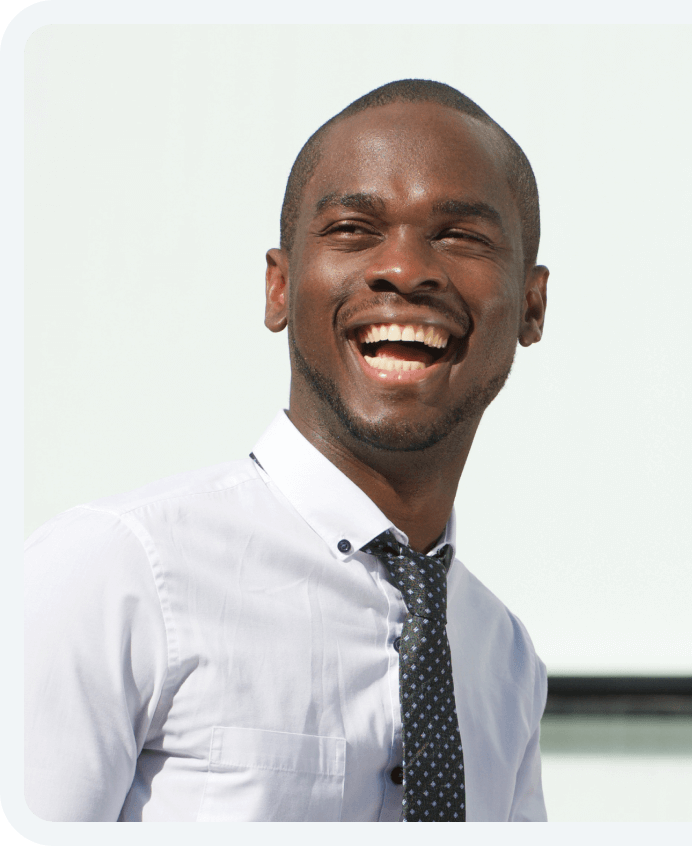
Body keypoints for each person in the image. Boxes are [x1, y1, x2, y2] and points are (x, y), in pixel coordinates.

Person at [24, 79, 550, 822]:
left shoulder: (502, 660)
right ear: (278, 289)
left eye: (459, 236)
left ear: (531, 306)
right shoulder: (114, 578)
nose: (403, 268)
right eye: (353, 230)